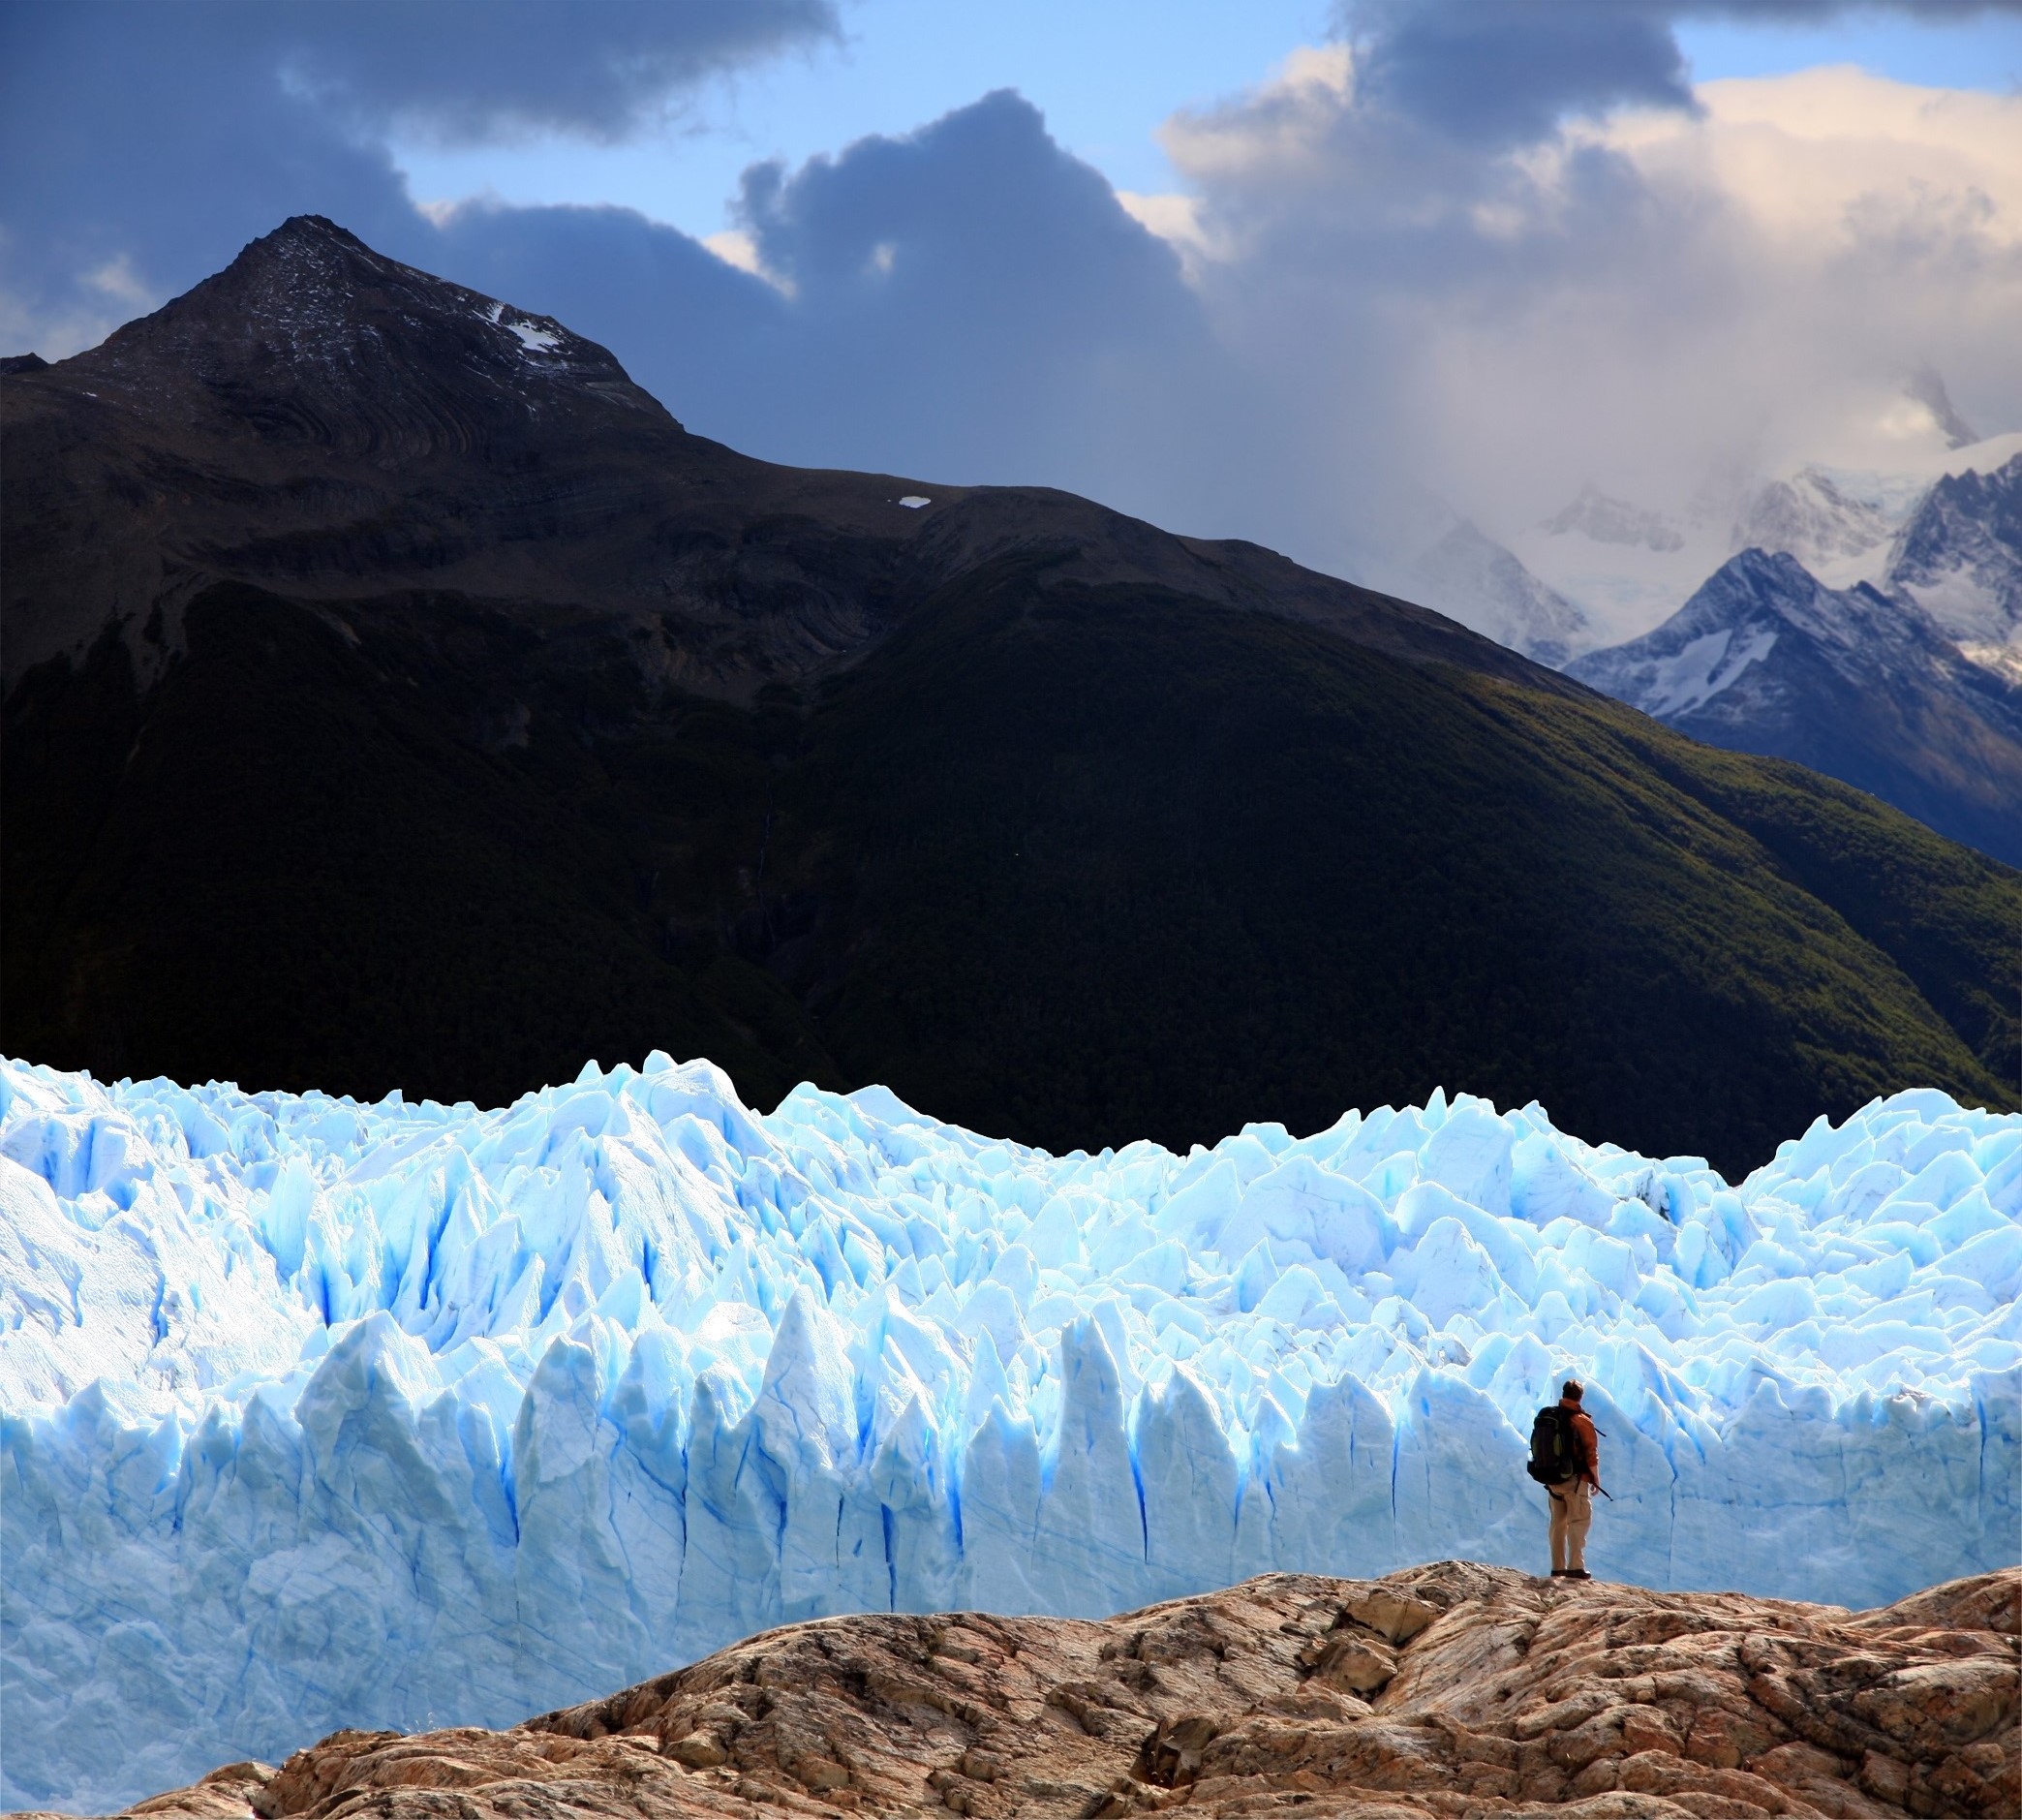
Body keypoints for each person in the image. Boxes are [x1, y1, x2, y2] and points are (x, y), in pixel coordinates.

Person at [1547, 1379, 1602, 1580]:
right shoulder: (1582, 1420)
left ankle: (1557, 1568)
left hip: (1553, 1481)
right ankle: (1575, 1567)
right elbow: (1591, 1453)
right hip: (1575, 1481)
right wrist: (1595, 1478)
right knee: (1578, 1521)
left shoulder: (1550, 1416)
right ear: (1580, 1397)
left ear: (1563, 1394)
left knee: (1557, 1523)